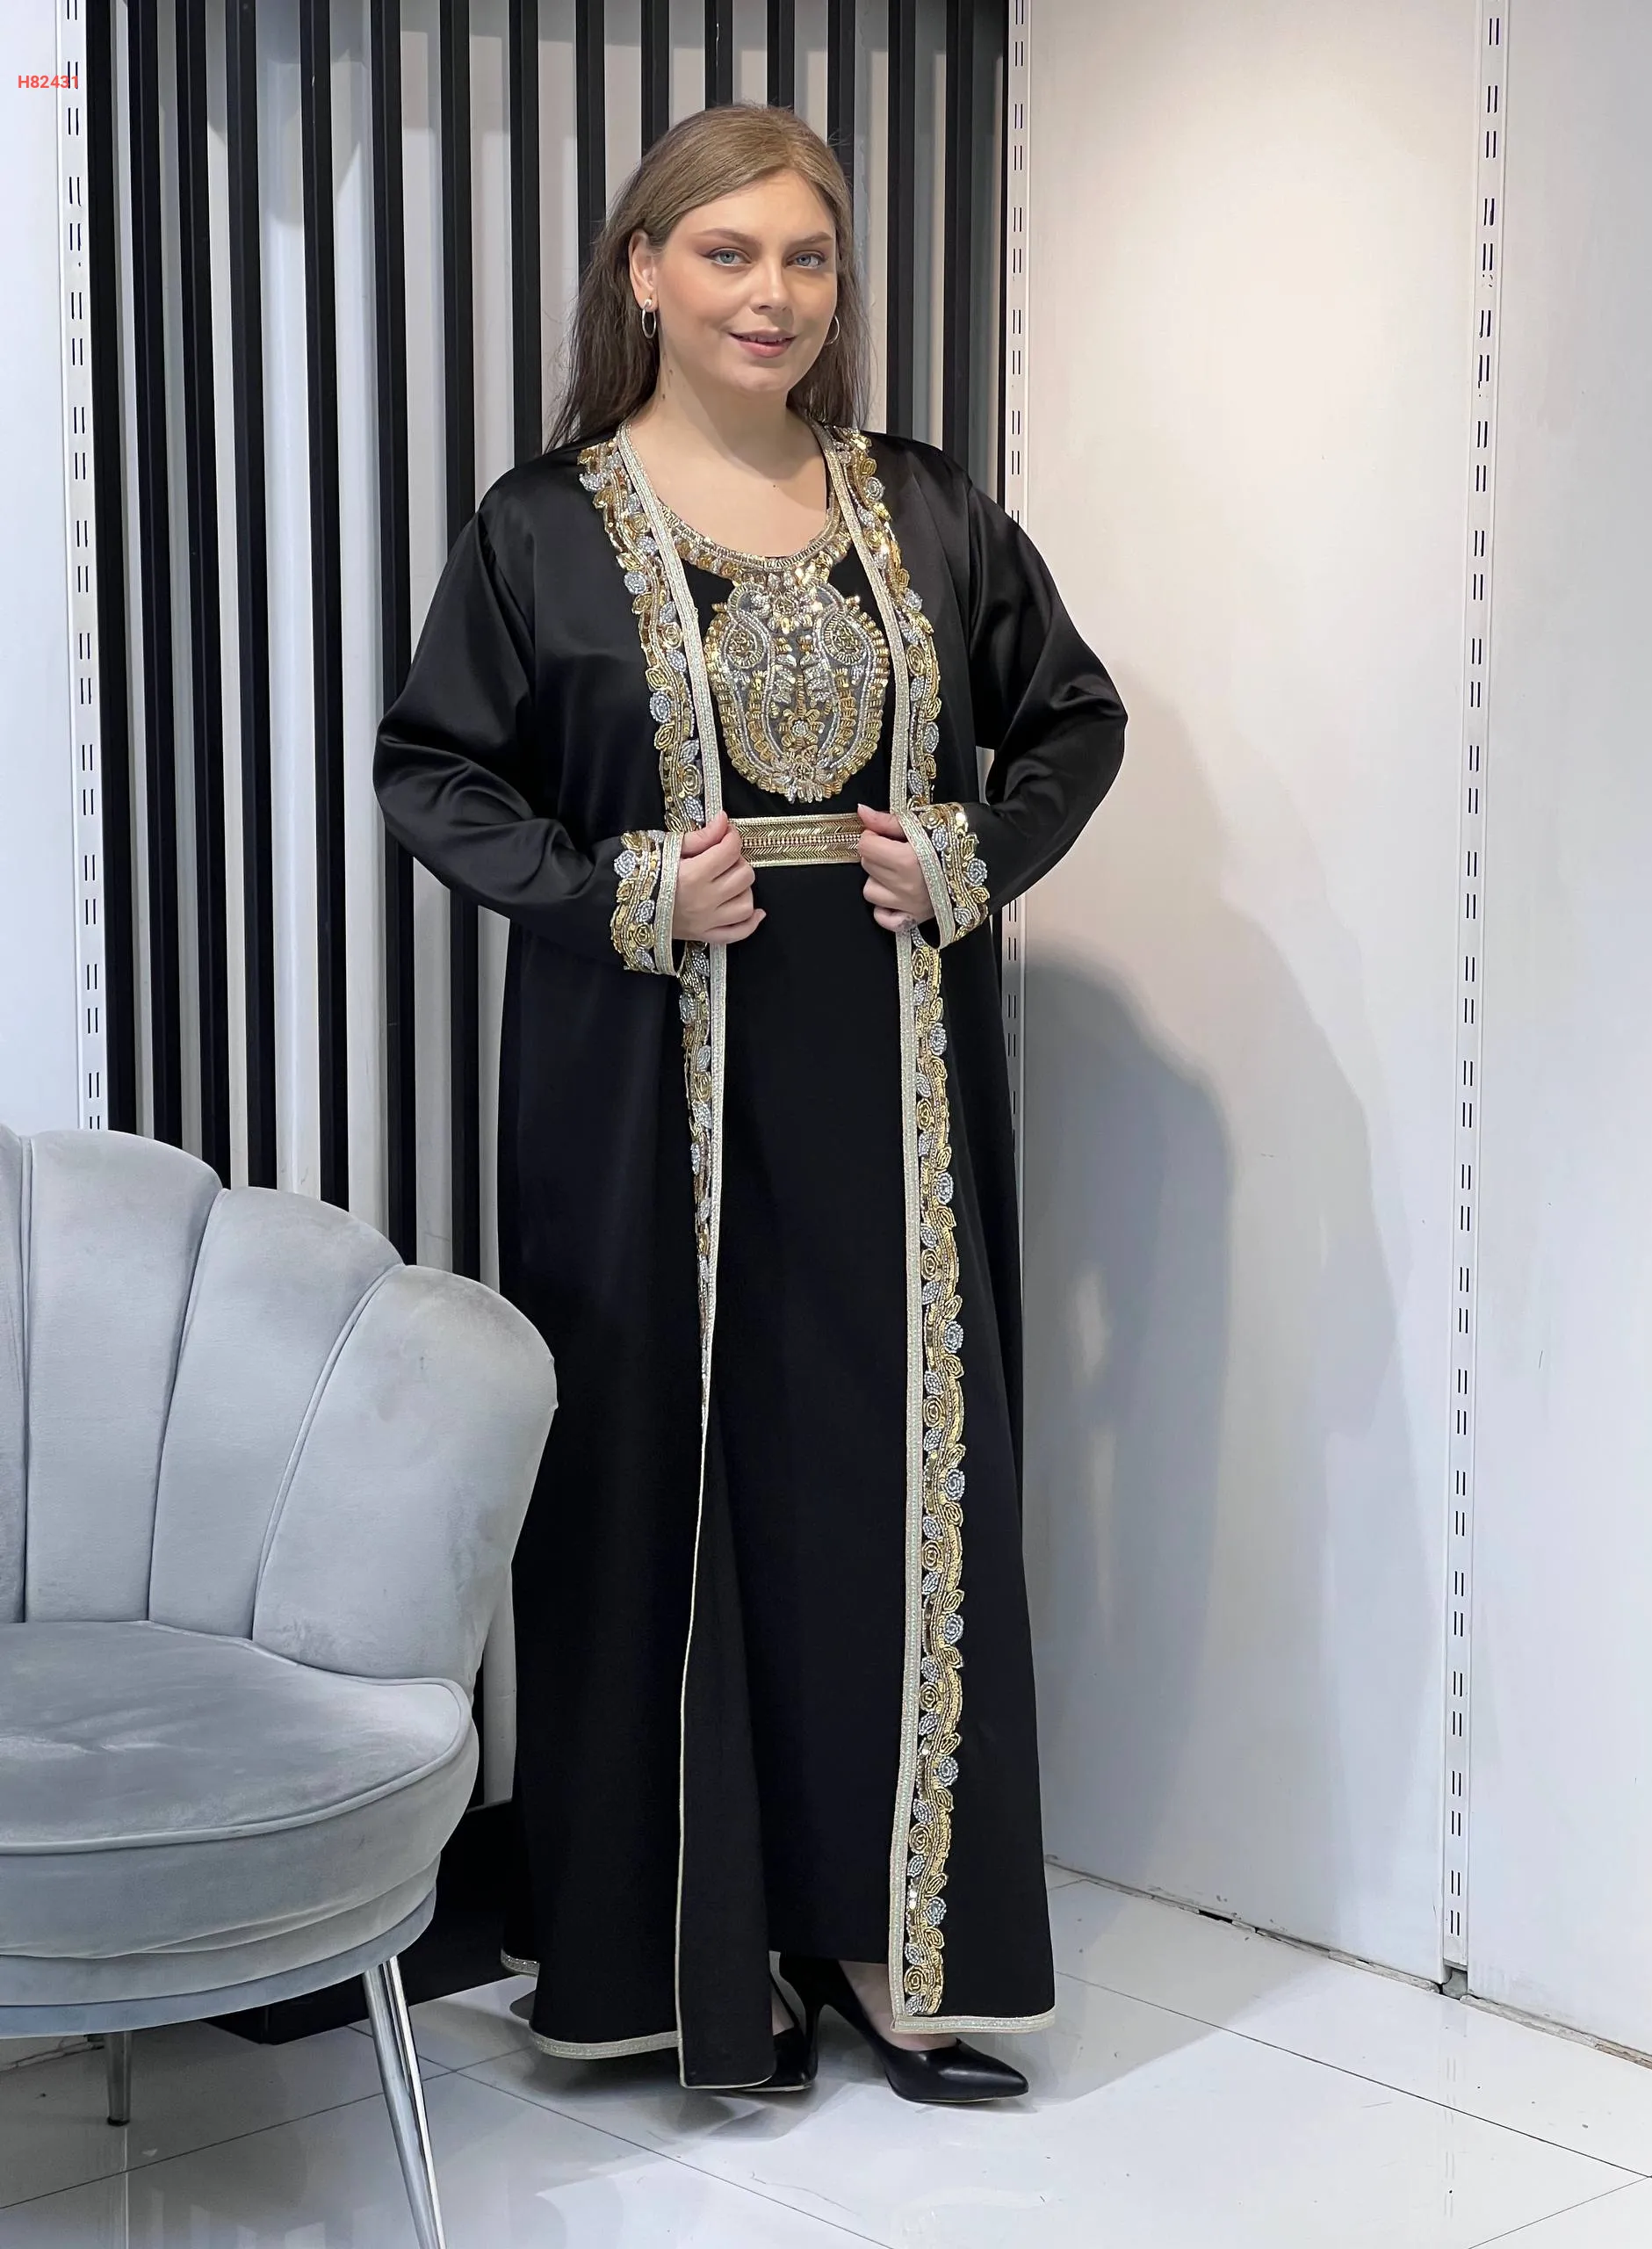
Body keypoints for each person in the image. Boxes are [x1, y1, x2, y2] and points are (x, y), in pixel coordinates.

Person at [374, 102, 1125, 2103]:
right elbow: (434, 771)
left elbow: (1072, 716)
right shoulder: (545, 527)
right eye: (727, 253)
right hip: (642, 1084)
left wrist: (964, 853)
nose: (771, 294)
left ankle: (886, 1936)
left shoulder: (924, 510)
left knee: (882, 1485)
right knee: (668, 1482)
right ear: (645, 271)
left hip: (891, 1077)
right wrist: (622, 887)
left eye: (806, 256)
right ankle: (700, 1949)